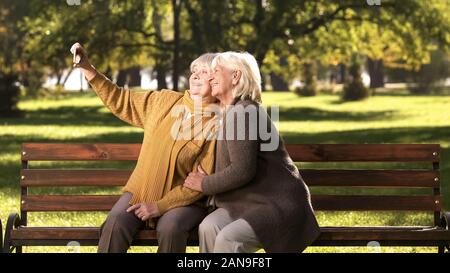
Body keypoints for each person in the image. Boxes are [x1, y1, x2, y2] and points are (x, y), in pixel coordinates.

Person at [70, 43, 218, 253]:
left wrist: (160, 206)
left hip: (184, 203)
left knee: (171, 227)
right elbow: (121, 99)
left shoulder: (218, 123)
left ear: (218, 81)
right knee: (115, 223)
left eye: (204, 72)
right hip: (142, 191)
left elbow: (199, 182)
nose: (195, 76)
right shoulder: (164, 101)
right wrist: (87, 68)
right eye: (194, 71)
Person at [184, 51, 321, 253]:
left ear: (235, 76)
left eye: (216, 71)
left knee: (229, 239)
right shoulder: (232, 111)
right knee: (209, 226)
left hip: (277, 204)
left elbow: (242, 170)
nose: (210, 77)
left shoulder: (244, 112)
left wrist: (204, 184)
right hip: (251, 202)